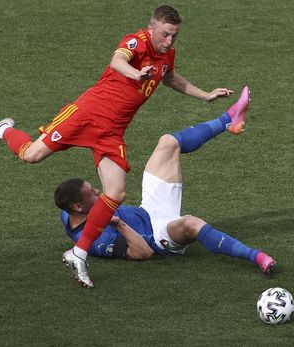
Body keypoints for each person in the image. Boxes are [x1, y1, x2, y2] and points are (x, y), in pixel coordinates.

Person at [0, 5, 237, 287]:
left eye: (174, 36)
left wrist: (205, 95)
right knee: (31, 154)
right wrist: (136, 75)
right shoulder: (136, 42)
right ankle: (3, 130)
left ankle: (79, 252)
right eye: (165, 35)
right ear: (152, 28)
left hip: (112, 132)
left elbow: (170, 77)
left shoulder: (166, 54)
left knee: (116, 192)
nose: (169, 41)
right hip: (86, 115)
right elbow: (117, 61)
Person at [54, 89, 275, 287]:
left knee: (168, 143)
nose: (98, 193)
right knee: (191, 223)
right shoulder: (99, 242)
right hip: (158, 235)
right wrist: (118, 223)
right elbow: (143, 253)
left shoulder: (68, 213)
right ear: (78, 206)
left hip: (149, 208)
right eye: (91, 194)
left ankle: (229, 120)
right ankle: (256, 256)